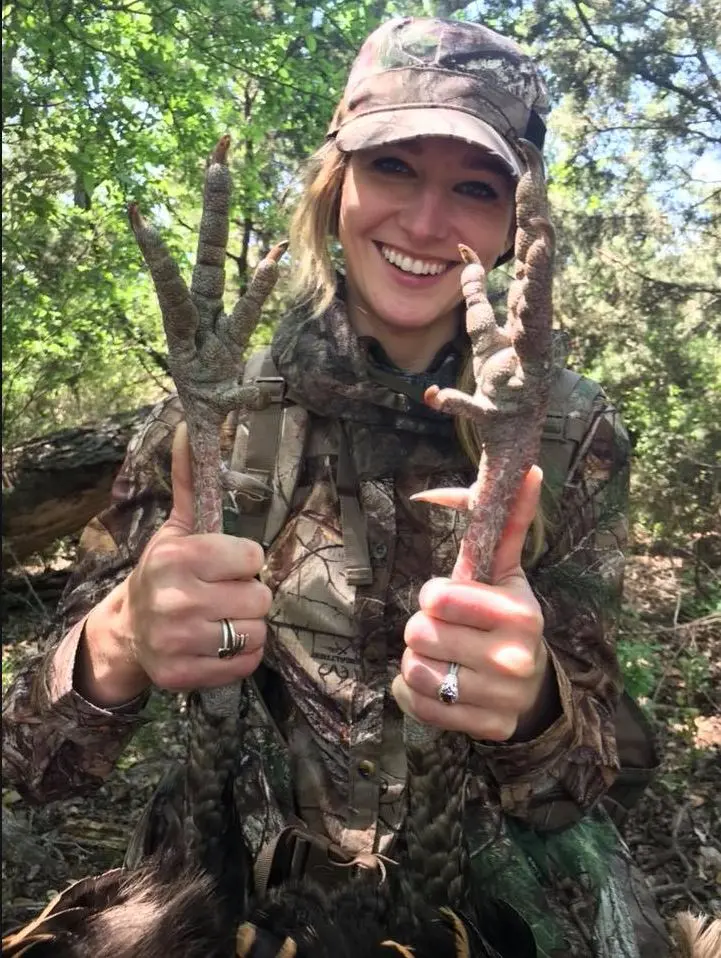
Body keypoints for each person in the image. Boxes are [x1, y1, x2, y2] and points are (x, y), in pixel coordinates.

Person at [2, 16, 669, 958]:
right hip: (228, 895)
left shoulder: (567, 434)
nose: (427, 224)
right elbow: (33, 765)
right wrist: (118, 640)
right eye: (393, 168)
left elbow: (602, 778)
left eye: (474, 188)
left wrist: (532, 706)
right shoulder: (217, 410)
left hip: (498, 903)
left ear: (515, 226)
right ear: (335, 183)